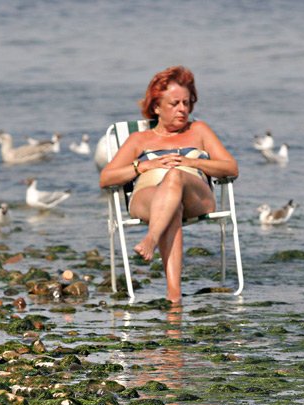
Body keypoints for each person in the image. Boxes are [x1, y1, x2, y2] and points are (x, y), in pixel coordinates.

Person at [100, 66, 238, 303]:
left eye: (186, 103)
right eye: (175, 104)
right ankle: (174, 295)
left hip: (195, 194)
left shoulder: (199, 130)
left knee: (174, 177)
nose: (182, 109)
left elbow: (230, 168)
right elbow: (106, 178)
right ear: (156, 107)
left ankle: (151, 239)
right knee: (170, 205)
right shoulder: (139, 139)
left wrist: (190, 161)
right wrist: (140, 167)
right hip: (149, 196)